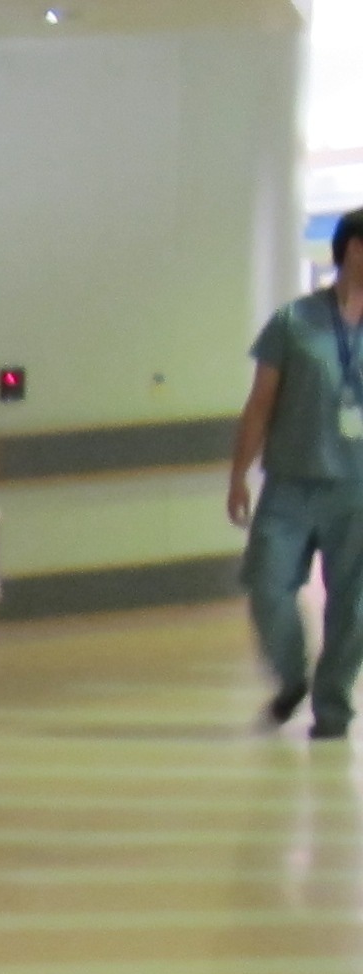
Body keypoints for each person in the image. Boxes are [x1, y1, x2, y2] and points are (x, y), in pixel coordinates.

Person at [225, 206, 363, 739]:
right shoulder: (294, 322)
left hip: (357, 488)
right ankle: (291, 677)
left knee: (352, 606)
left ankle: (333, 709)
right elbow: (260, 403)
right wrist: (239, 474)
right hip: (290, 482)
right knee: (267, 586)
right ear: (353, 249)